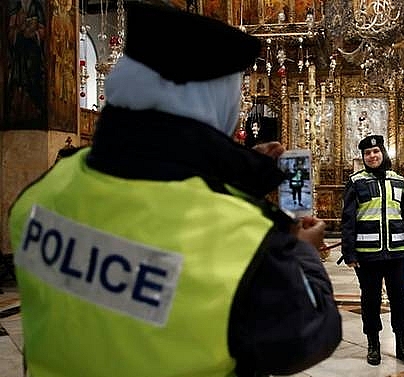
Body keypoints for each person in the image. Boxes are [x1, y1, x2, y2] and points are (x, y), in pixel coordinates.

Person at [9, 3, 341, 377]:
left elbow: (150, 174)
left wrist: (234, 170)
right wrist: (302, 253)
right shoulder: (239, 242)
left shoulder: (42, 194)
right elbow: (311, 333)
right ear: (216, 105)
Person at [340, 134, 404, 367]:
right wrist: (349, 252)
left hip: (397, 252)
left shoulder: (399, 180)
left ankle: (402, 346)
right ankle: (373, 345)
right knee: (370, 300)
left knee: (400, 299)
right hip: (368, 253)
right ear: (363, 157)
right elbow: (348, 220)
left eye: (376, 152)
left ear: (383, 153)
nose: (372, 156)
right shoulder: (356, 182)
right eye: (367, 153)